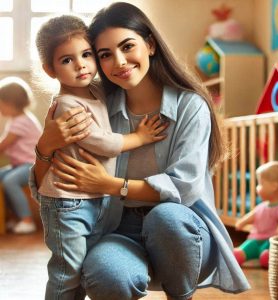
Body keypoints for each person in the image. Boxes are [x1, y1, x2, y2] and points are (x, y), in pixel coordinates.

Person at [30, 2, 250, 300]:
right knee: (105, 275)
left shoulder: (190, 106)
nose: (119, 61)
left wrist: (109, 185)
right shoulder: (91, 103)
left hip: (182, 233)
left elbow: (184, 188)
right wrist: (46, 146)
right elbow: (43, 184)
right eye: (105, 54)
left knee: (167, 217)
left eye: (127, 46)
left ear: (150, 45)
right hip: (119, 227)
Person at [35, 14, 167, 300]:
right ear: (50, 70)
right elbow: (103, 143)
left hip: (92, 198)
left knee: (81, 269)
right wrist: (140, 138)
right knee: (66, 272)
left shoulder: (95, 90)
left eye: (86, 54)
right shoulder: (68, 105)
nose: (81, 64)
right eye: (67, 60)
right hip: (65, 202)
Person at [0, 76, 42, 234]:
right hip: (20, 165)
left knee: (10, 181)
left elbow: (3, 145)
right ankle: (13, 217)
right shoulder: (16, 120)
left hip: (33, 165)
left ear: (10, 103)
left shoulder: (22, 122)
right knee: (3, 177)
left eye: (0, 104)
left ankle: (27, 220)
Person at [233, 161, 278, 269]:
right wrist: (243, 222)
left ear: (274, 186)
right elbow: (253, 215)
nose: (257, 187)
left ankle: (268, 257)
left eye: (260, 183)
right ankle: (239, 254)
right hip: (255, 239)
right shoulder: (262, 206)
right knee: (248, 247)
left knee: (269, 249)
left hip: (270, 240)